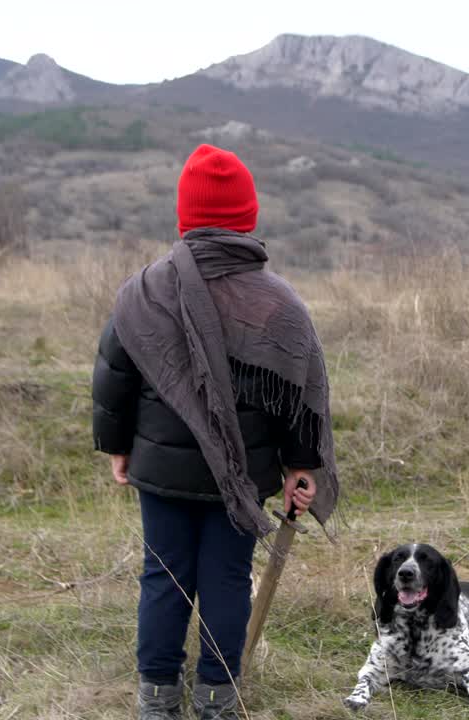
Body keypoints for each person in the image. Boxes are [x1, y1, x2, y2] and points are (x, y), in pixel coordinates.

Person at [91, 144, 339, 720]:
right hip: (244, 476)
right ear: (247, 219)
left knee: (164, 578)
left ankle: (156, 699)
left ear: (184, 218)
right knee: (226, 580)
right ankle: (217, 698)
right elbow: (298, 394)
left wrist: (121, 448)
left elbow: (113, 378)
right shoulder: (276, 302)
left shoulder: (142, 292)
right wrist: (302, 464)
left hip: (161, 472)